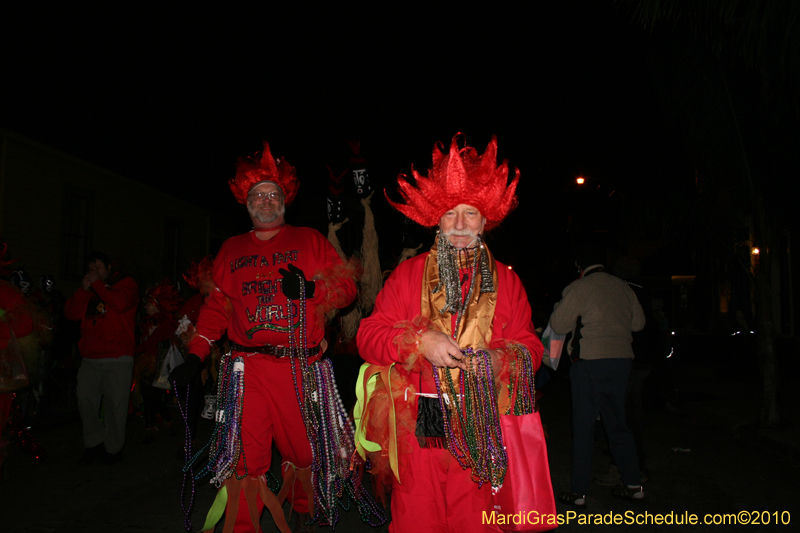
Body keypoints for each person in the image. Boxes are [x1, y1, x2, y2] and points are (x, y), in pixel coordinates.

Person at [169, 142, 362, 533]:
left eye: (273, 194)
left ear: (285, 200)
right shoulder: (230, 249)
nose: (266, 201)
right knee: (245, 456)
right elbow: (215, 310)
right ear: (246, 203)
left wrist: (310, 290)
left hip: (299, 366)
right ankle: (243, 525)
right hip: (247, 367)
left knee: (304, 450)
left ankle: (305, 511)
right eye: (258, 196)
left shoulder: (309, 240)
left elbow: (347, 291)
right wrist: (195, 354)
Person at [356, 134, 543, 533]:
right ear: (435, 220)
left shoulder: (508, 282)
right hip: (417, 422)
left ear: (485, 221)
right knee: (416, 520)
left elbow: (531, 347)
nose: (459, 225)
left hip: (482, 422)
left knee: (475, 521)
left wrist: (500, 360)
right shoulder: (408, 274)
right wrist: (419, 341)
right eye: (450, 214)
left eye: (470, 214)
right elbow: (368, 335)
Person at [550, 239, 646, 508]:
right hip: (622, 362)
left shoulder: (580, 287)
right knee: (618, 424)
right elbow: (638, 324)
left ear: (580, 265)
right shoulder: (622, 287)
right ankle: (634, 485)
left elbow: (559, 323)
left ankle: (578, 493)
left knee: (584, 427)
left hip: (590, 362)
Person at [65, 252, 139, 465]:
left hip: (117, 357)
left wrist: (98, 285)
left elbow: (121, 303)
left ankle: (113, 448)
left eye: (98, 267)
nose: (94, 272)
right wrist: (83, 290)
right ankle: (93, 444)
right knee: (86, 402)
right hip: (90, 357)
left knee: (116, 404)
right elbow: (71, 313)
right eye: (91, 268)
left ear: (109, 267)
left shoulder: (126, 284)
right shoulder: (91, 290)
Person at [133, 279, 181, 443]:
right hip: (146, 364)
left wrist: (131, 350)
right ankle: (150, 427)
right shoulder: (146, 323)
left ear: (155, 306)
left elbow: (151, 344)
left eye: (148, 304)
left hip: (160, 366)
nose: (145, 307)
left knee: (153, 398)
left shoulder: (166, 325)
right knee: (148, 397)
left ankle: (167, 420)